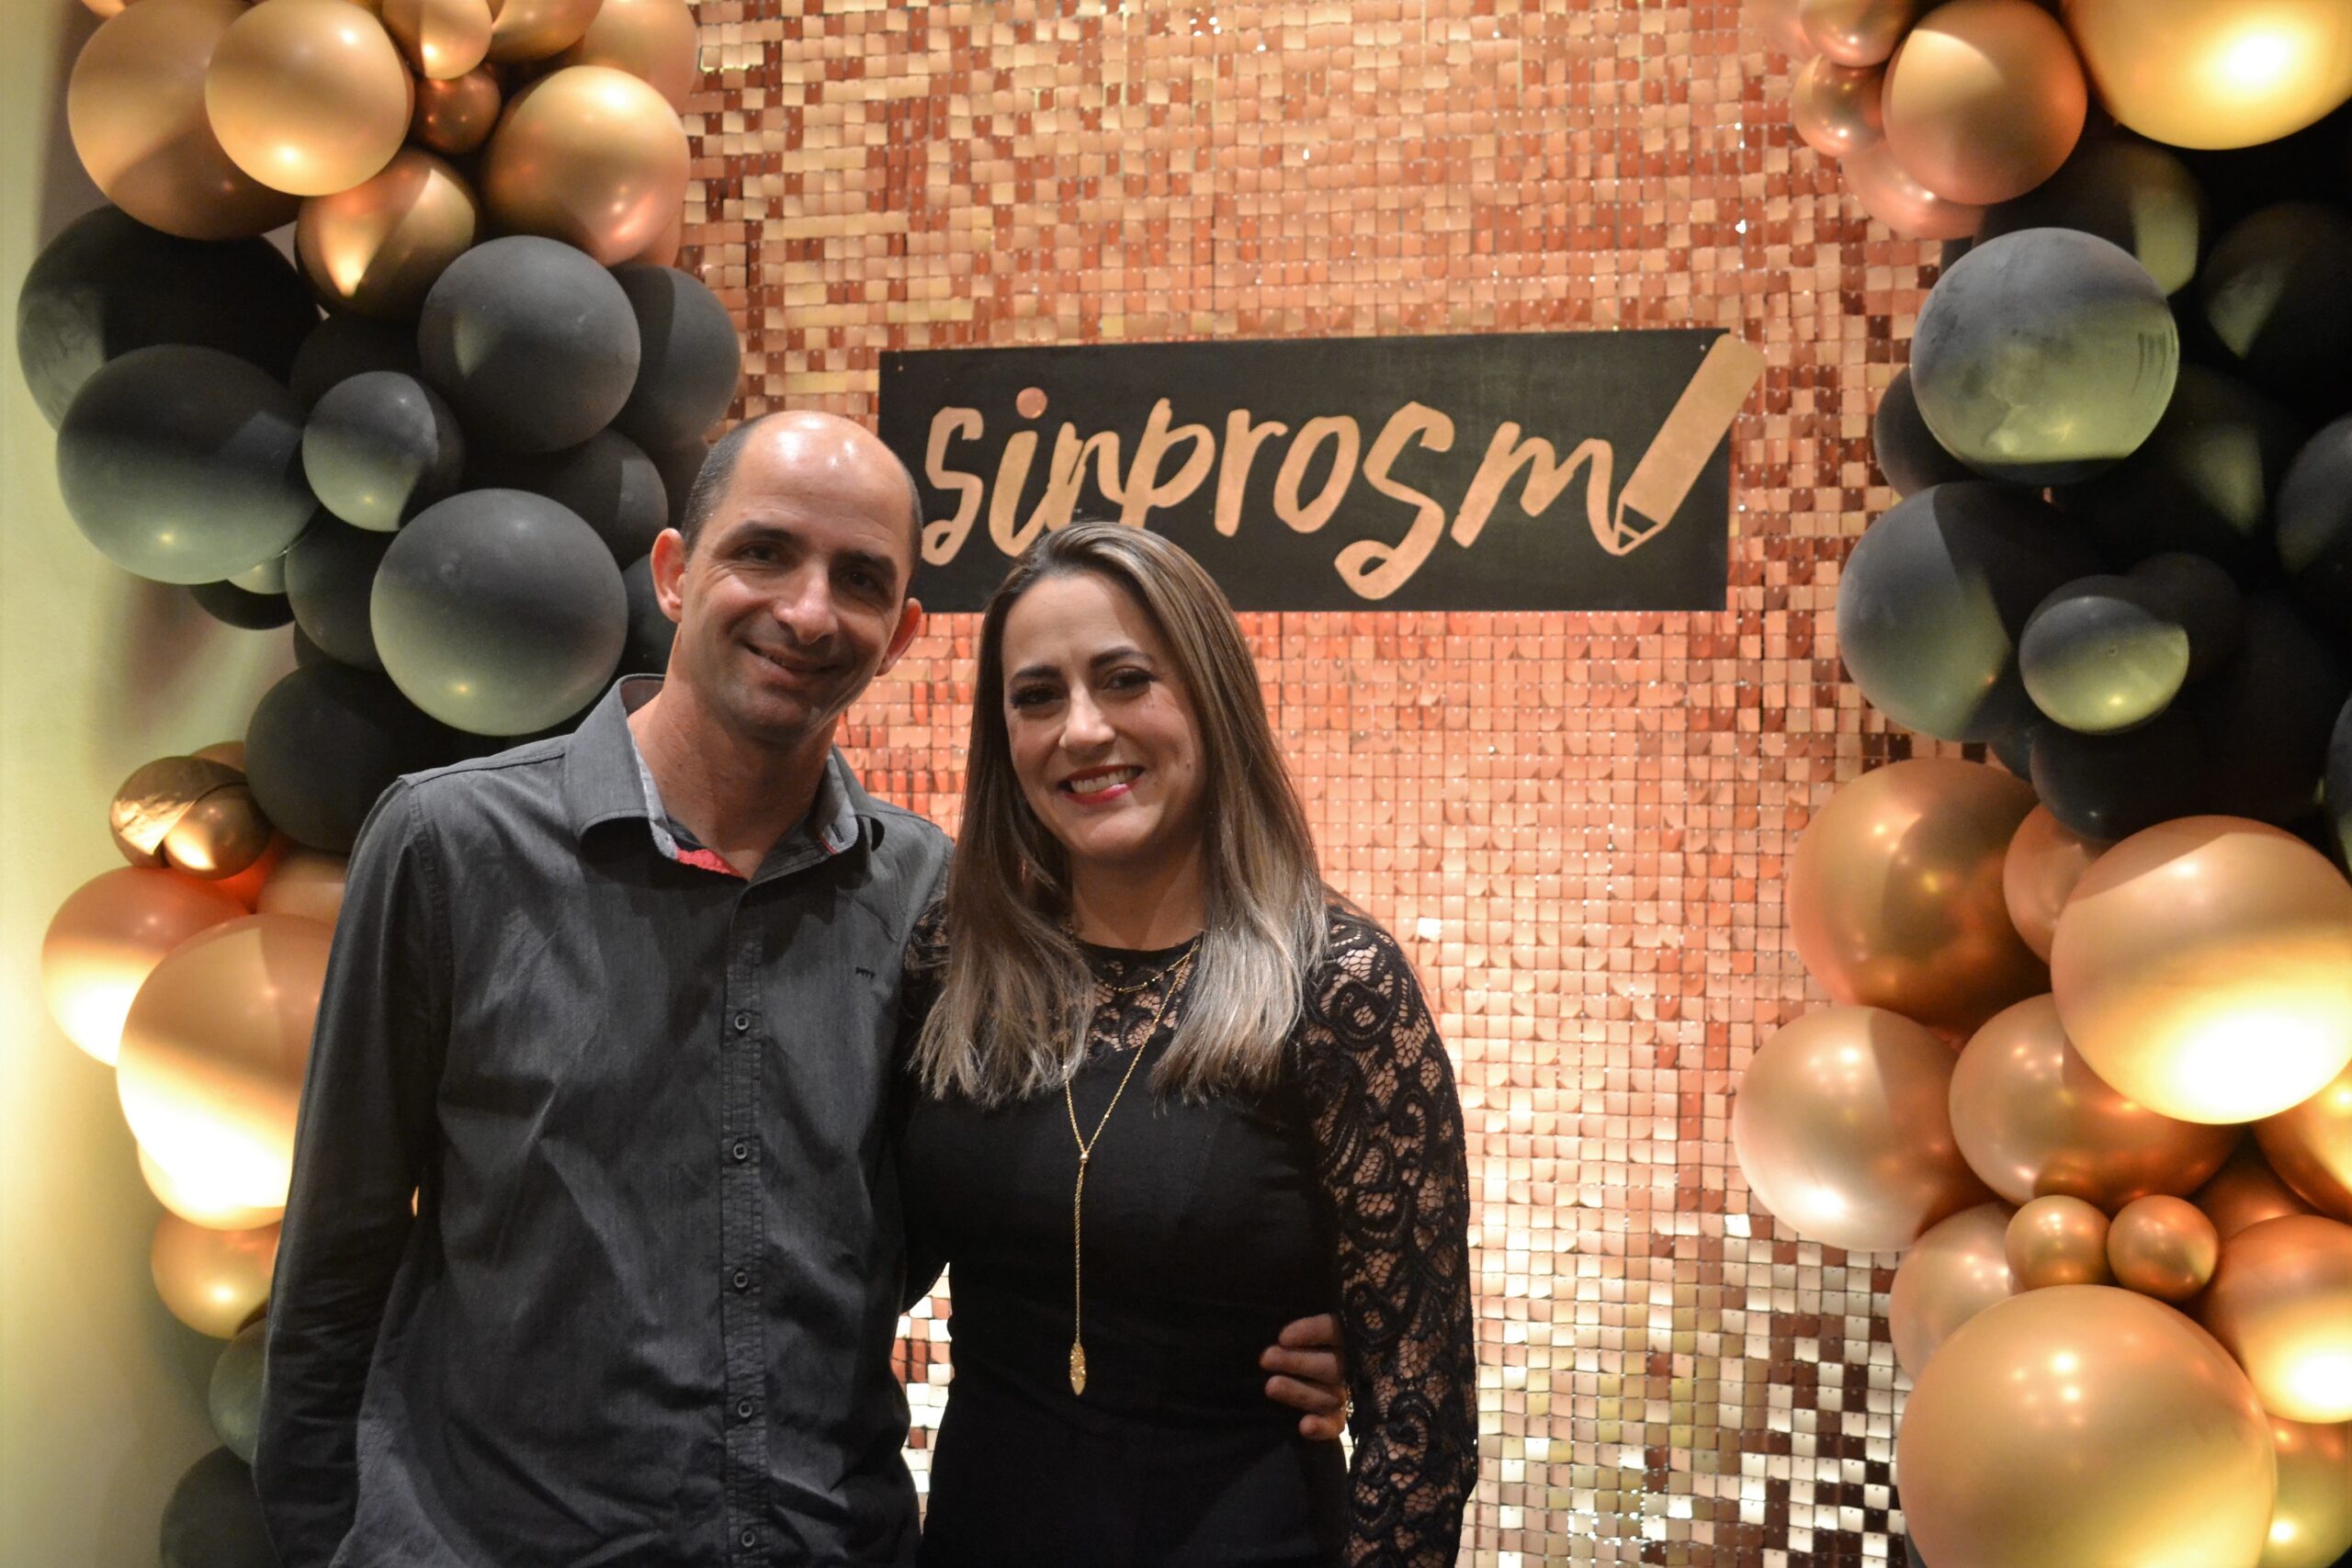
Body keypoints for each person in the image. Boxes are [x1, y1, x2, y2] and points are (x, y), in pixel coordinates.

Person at [256, 412, 1344, 1568]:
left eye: (860, 580)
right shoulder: (450, 848)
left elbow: (1028, 1195)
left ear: (901, 634)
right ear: (675, 574)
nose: (810, 612)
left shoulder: (935, 897)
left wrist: (1258, 1329)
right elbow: (333, 1271)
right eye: (764, 553)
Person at [898, 521, 1478, 1568]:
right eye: (1037, 696)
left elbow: (1422, 1431)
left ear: (1211, 697)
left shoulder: (1337, 989)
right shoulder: (957, 960)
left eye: (1126, 680)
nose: (1082, 729)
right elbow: (862, 1263)